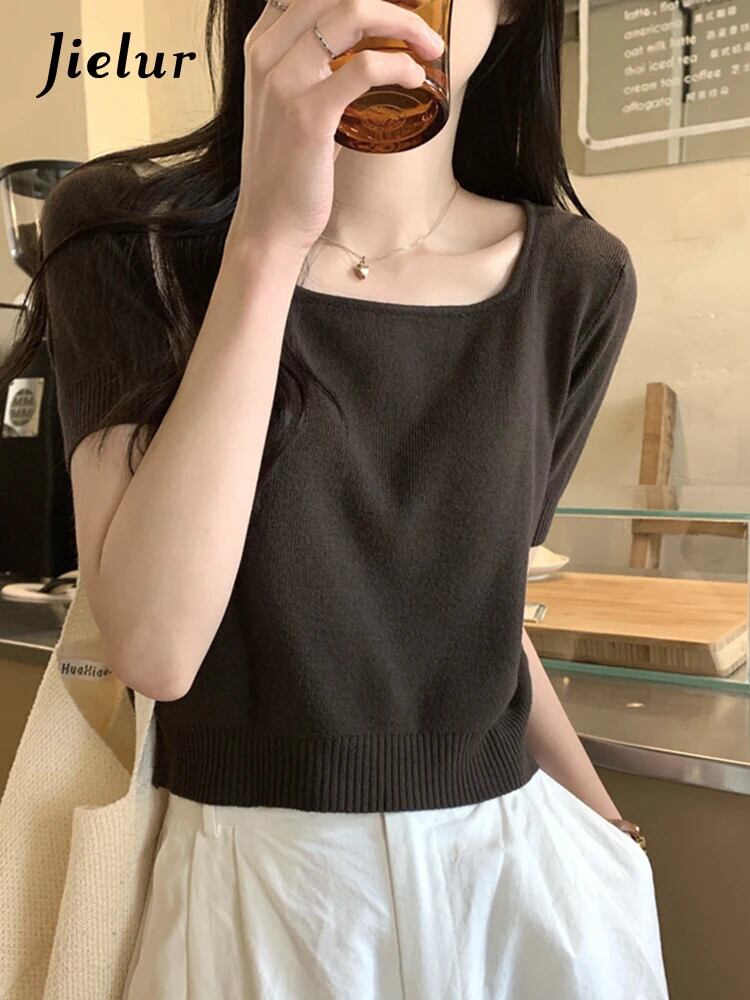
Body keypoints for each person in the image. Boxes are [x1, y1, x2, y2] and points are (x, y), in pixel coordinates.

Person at [0, 0, 670, 996]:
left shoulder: (579, 278)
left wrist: (615, 840)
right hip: (251, 901)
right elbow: (155, 647)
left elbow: (475, 613)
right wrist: (268, 241)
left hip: (517, 883)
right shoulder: (125, 237)